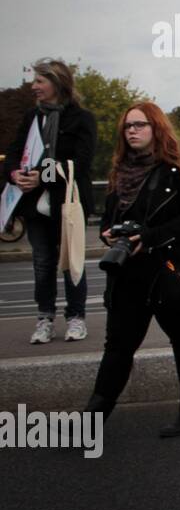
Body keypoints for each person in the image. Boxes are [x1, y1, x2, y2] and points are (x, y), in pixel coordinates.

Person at [85, 102, 180, 437]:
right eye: (127, 126)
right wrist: (108, 232)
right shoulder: (120, 172)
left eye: (140, 125)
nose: (132, 131)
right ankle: (92, 420)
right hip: (128, 274)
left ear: (156, 128)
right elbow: (109, 218)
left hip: (170, 270)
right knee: (118, 347)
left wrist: (151, 237)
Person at [2, 59, 96, 344]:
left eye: (39, 81)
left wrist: (41, 177)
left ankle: (76, 317)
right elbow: (15, 151)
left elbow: (80, 162)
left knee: (71, 261)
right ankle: (44, 318)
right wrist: (15, 173)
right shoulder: (32, 117)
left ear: (57, 83)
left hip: (67, 204)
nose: (34, 87)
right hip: (34, 207)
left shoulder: (81, 119)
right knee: (42, 264)